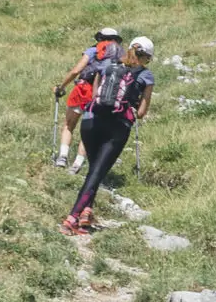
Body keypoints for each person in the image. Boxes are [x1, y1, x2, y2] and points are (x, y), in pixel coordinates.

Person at [61, 35, 155, 234]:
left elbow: (95, 96)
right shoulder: (145, 75)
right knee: (97, 174)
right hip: (117, 127)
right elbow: (141, 113)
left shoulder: (106, 66)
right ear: (146, 57)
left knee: (94, 169)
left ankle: (86, 212)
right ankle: (72, 219)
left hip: (90, 121)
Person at [53, 27, 122, 171]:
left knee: (69, 124)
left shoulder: (93, 50)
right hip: (102, 95)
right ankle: (77, 164)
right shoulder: (120, 55)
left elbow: (76, 70)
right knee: (88, 130)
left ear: (100, 38)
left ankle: (62, 158)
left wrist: (61, 87)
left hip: (83, 90)